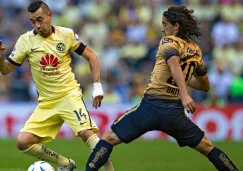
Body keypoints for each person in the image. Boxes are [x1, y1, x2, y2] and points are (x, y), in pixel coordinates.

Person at [85, 6, 239, 171]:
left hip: (150, 107)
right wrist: (185, 80)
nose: (161, 28)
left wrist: (185, 94)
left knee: (108, 138)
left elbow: (174, 65)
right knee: (208, 148)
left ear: (176, 26)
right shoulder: (195, 51)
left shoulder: (168, 42)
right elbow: (205, 85)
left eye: (165, 24)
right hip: (174, 114)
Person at [0, 1, 114, 171]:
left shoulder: (66, 34)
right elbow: (6, 70)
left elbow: (91, 56)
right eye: (33, 21)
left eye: (40, 19)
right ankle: (65, 164)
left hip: (69, 96)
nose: (37, 25)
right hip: (47, 103)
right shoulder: (25, 40)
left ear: (49, 16)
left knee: (87, 135)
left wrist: (97, 86)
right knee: (23, 141)